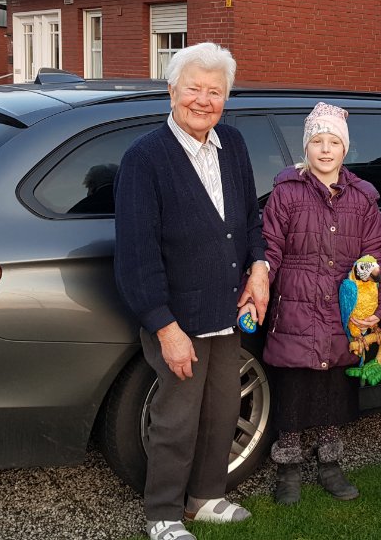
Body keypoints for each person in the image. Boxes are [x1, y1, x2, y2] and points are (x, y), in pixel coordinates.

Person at [114, 42, 268, 540]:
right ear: (171, 91)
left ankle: (206, 497)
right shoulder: (145, 159)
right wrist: (165, 327)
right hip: (179, 317)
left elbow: (250, 219)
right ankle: (162, 513)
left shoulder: (233, 145)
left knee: (222, 409)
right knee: (176, 419)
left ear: (227, 97)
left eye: (215, 91)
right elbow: (137, 255)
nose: (204, 100)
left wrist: (259, 267)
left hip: (227, 309)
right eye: (194, 89)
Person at [261, 101, 381, 505]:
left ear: (345, 148)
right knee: (293, 392)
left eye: (333, 142)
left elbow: (375, 258)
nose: (325, 149)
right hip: (296, 311)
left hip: (342, 314)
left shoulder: (362, 199)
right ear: (306, 147)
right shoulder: (286, 193)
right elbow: (269, 249)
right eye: (317, 141)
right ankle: (288, 467)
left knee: (333, 390)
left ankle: (330, 463)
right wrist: (258, 287)